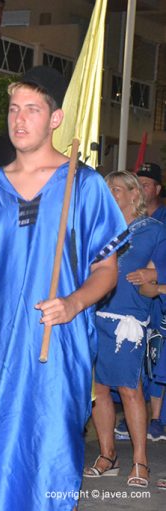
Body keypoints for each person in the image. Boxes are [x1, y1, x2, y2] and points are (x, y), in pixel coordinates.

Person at [0, 67, 127, 509]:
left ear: (55, 119)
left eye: (32, 109)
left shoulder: (85, 187)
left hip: (55, 352)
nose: (19, 119)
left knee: (49, 460)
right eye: (14, 109)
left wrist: (74, 302)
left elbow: (107, 269)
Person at [83, 171, 165, 488]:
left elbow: (156, 280)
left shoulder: (154, 231)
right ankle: (108, 456)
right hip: (94, 315)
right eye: (106, 189)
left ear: (134, 194)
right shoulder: (99, 229)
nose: (109, 193)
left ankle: (141, 461)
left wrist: (151, 278)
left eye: (115, 189)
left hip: (127, 322)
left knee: (131, 390)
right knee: (99, 390)